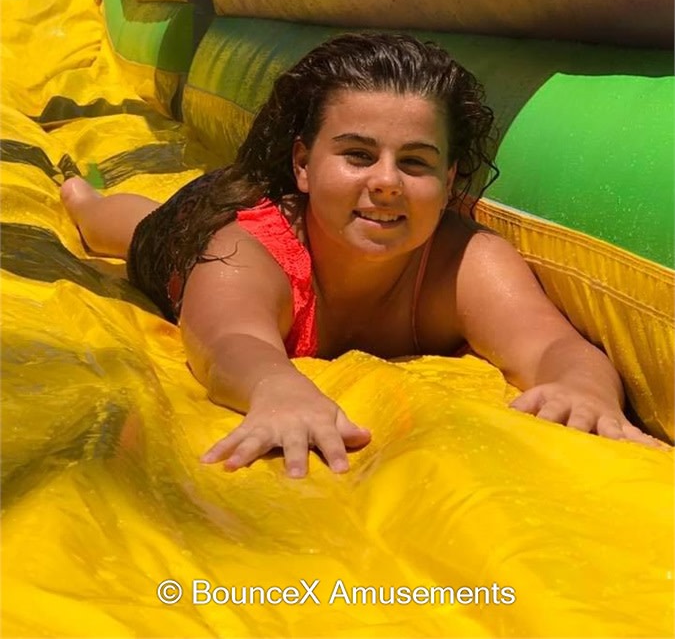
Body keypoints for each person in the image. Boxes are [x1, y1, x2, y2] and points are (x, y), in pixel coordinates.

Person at [61, 31, 660, 476]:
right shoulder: (242, 250)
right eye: (357, 155)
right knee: (129, 227)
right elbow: (229, 339)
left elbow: (553, 344)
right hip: (187, 235)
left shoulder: (463, 262)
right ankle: (84, 199)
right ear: (303, 164)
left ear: (450, 181)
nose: (387, 182)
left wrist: (582, 389)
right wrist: (275, 386)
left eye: (416, 162)